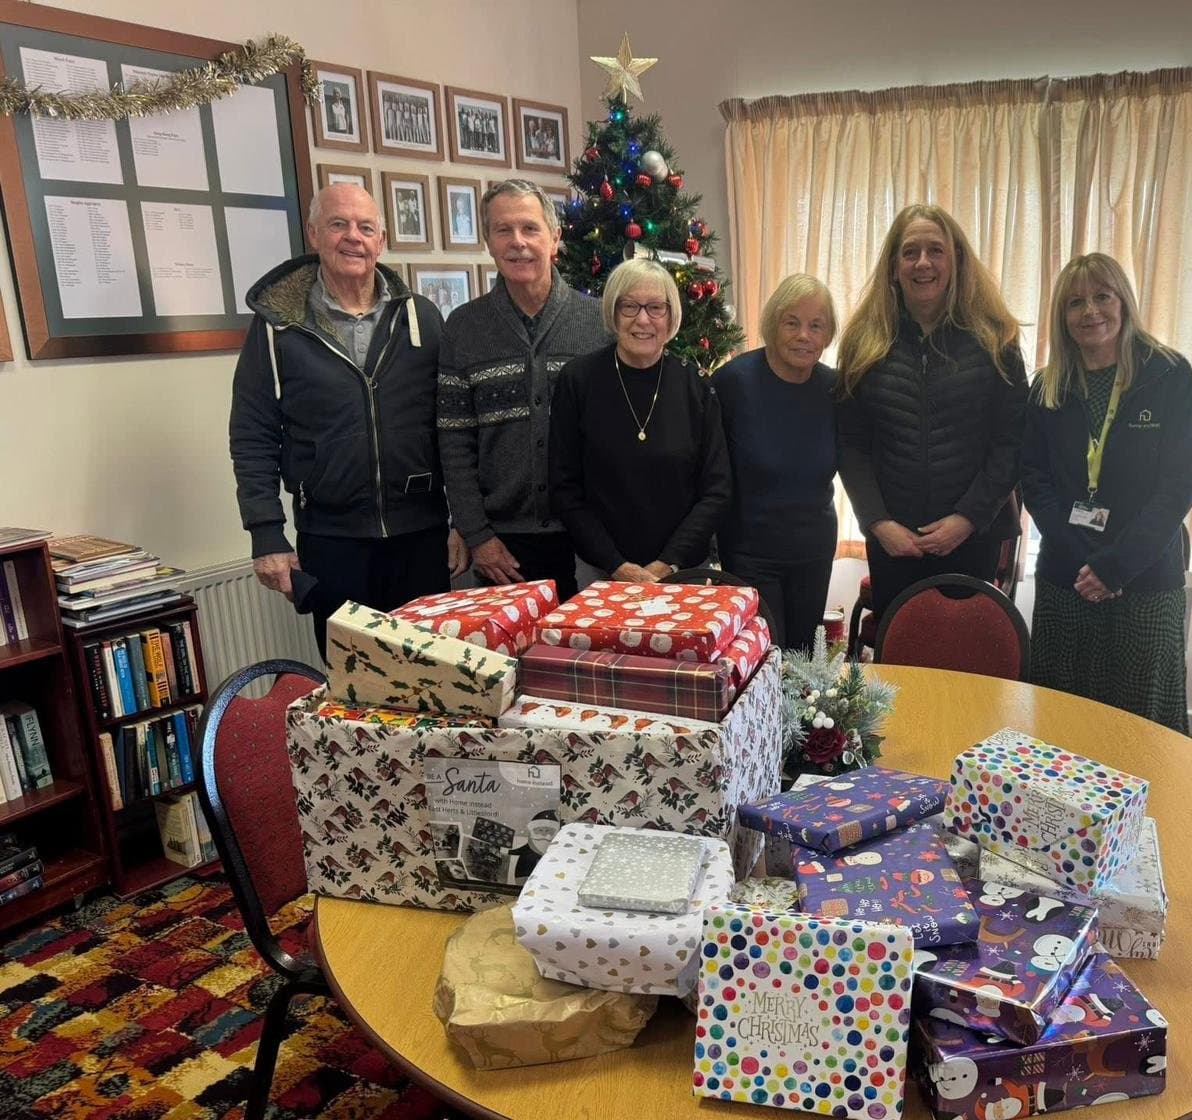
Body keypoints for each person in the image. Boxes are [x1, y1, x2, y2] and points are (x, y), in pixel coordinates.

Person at [230, 183, 468, 657]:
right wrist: (266, 534)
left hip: (421, 538)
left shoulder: (420, 318)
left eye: (364, 227)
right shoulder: (280, 328)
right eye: (338, 224)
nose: (352, 237)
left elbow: (453, 427)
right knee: (352, 687)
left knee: (435, 678)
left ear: (380, 240)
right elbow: (252, 433)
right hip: (332, 542)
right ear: (315, 233)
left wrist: (463, 520)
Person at [1022, 253, 1192, 732]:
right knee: (1064, 728)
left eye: (1102, 296)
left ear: (1124, 302)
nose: (1090, 311)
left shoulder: (1170, 376)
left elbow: (1178, 484)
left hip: (1144, 582)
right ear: (1062, 316)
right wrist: (1086, 562)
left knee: (1142, 732)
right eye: (1075, 302)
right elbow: (1035, 480)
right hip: (1067, 579)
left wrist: (1113, 567)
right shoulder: (1047, 387)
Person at [836, 203, 1027, 623]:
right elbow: (851, 445)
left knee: (965, 666)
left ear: (955, 260)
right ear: (893, 266)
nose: (923, 263)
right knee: (898, 672)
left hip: (971, 540)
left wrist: (967, 519)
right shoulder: (864, 343)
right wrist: (877, 522)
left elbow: (1011, 443)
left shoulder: (997, 340)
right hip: (893, 544)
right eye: (910, 252)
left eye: (935, 251)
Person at [438, 180, 608, 601]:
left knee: (588, 662)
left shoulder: (599, 323)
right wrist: (476, 535)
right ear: (488, 242)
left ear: (554, 239)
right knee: (514, 662)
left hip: (592, 537)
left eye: (530, 229)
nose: (518, 243)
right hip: (503, 544)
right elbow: (454, 444)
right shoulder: (463, 328)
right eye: (503, 231)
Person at [548, 258, 731, 584]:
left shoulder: (696, 385)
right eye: (629, 306)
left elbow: (716, 490)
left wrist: (666, 563)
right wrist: (616, 564)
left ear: (671, 315)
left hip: (681, 572)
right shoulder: (577, 381)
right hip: (601, 572)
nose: (643, 319)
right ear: (613, 313)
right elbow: (565, 489)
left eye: (655, 307)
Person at [715, 274, 838, 651]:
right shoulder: (732, 383)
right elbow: (710, 475)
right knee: (761, 659)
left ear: (828, 334)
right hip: (750, 553)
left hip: (814, 551)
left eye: (816, 325)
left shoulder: (836, 388)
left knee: (803, 664)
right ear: (773, 323)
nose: (804, 335)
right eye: (792, 322)